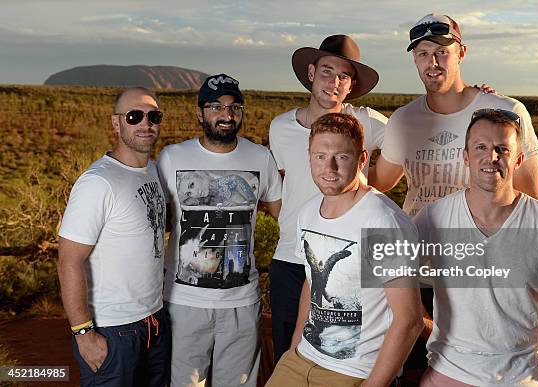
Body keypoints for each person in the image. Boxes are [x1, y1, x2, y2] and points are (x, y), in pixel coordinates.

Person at [413, 109, 538, 386]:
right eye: (481, 147)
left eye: (502, 149)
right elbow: (390, 284)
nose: (491, 157)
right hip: (445, 375)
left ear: (519, 159)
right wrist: (424, 324)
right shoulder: (433, 218)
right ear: (466, 156)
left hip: (519, 379)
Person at [266, 113, 423, 387]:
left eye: (342, 157)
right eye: (319, 156)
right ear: (309, 156)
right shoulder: (308, 213)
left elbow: (409, 321)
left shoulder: (382, 222)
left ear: (362, 159)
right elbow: (312, 282)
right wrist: (294, 348)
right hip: (301, 359)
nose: (329, 167)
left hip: (354, 371)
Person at [268, 34, 388, 363]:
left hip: (344, 262)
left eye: (344, 76)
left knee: (341, 356)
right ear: (310, 72)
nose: (334, 82)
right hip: (291, 259)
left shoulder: (365, 122)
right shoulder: (279, 128)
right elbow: (283, 185)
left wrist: (368, 188)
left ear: (351, 85)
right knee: (288, 355)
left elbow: (410, 140)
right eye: (326, 71)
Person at [157, 73, 282, 387]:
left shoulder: (261, 157)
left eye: (234, 107)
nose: (226, 115)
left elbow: (286, 220)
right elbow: (158, 224)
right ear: (200, 113)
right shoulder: (172, 158)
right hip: (184, 301)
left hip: (241, 301)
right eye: (215, 107)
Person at [369, 13, 538, 219]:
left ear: (461, 53)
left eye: (442, 51)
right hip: (419, 244)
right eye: (423, 53)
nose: (432, 62)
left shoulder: (505, 113)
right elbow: (380, 181)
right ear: (415, 59)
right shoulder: (403, 119)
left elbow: (534, 203)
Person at [57, 87, 170, 386]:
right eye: (134, 116)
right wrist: (83, 333)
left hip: (155, 321)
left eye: (153, 116)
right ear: (116, 123)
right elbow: (69, 260)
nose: (145, 124)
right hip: (112, 330)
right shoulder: (98, 182)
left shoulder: (154, 172)